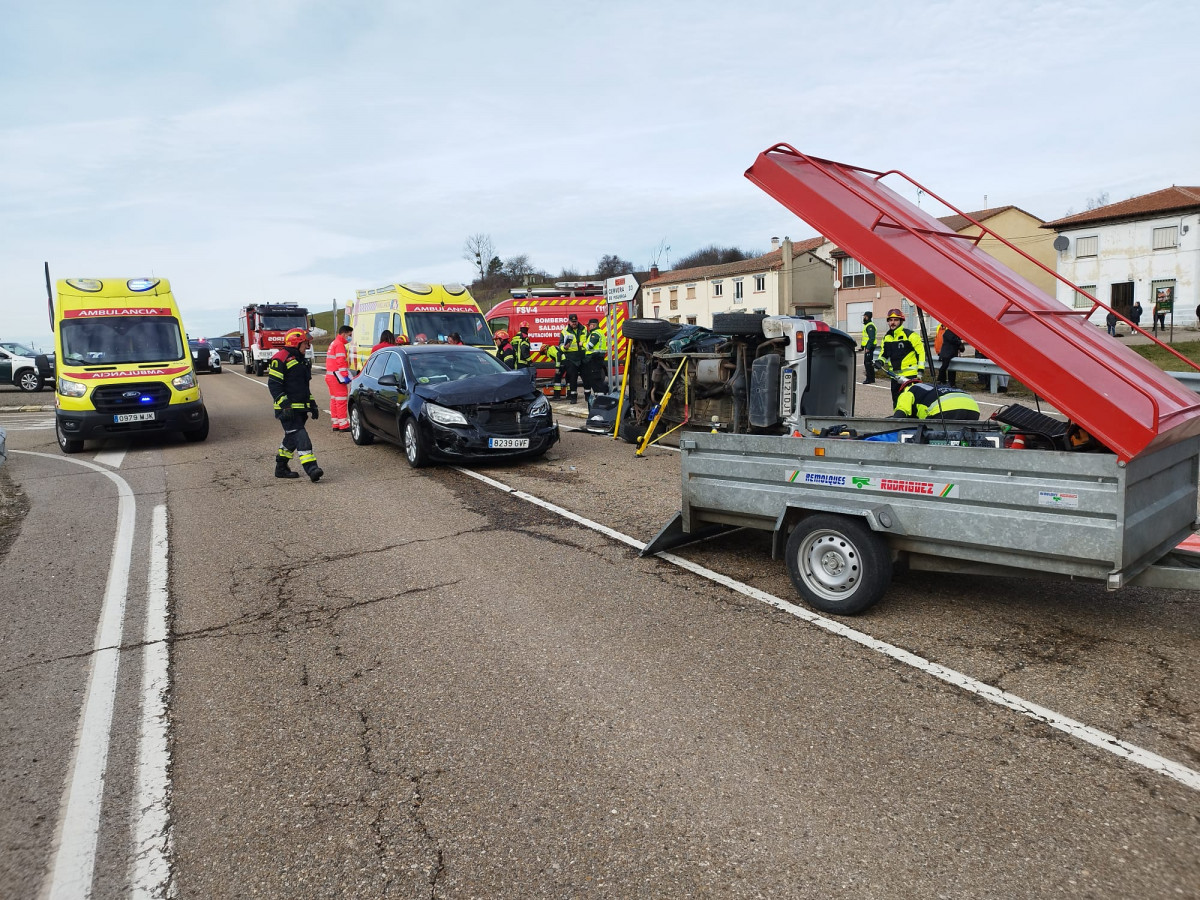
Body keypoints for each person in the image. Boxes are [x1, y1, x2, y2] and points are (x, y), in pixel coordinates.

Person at [268, 328, 323, 482]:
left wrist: (312, 404)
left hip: (300, 409)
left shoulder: (302, 360)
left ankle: (281, 467)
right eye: (306, 343)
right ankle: (312, 468)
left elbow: (304, 387)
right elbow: (274, 385)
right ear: (296, 342)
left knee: (291, 439)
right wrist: (285, 405)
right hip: (287, 410)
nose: (308, 346)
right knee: (301, 436)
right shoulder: (280, 358)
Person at [878, 308, 925, 404]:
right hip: (895, 377)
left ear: (901, 321)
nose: (893, 322)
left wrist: (920, 371)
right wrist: (880, 361)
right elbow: (884, 354)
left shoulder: (910, 335)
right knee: (897, 404)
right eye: (890, 320)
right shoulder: (887, 337)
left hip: (910, 377)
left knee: (911, 405)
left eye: (896, 320)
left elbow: (921, 352)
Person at [892, 376, 980, 421]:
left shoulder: (908, 391)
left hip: (944, 411)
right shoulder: (933, 388)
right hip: (973, 408)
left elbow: (900, 416)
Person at [324, 324, 353, 432]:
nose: (350, 337)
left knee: (334, 400)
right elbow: (340, 362)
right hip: (337, 377)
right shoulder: (340, 345)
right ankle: (343, 425)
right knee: (341, 400)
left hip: (330, 376)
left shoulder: (334, 343)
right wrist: (345, 376)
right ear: (344, 333)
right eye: (350, 335)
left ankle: (336, 423)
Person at [559, 312, 588, 403]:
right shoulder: (564, 331)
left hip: (583, 357)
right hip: (571, 358)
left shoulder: (584, 329)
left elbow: (588, 340)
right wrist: (564, 347)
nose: (574, 323)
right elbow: (559, 344)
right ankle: (573, 397)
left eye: (575, 321)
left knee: (586, 378)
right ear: (569, 322)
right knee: (572, 379)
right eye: (572, 322)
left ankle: (588, 396)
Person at [582, 318, 608, 404]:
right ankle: (598, 397)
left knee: (596, 379)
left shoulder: (595, 334)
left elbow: (589, 346)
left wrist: (582, 344)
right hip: (596, 358)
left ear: (593, 325)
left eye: (589, 325)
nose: (589, 327)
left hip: (595, 358)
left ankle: (601, 398)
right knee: (594, 379)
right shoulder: (599, 332)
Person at [860, 311, 877, 384]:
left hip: (870, 347)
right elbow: (865, 338)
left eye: (864, 316)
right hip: (867, 346)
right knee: (869, 362)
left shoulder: (870, 326)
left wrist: (868, 348)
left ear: (867, 317)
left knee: (867, 363)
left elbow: (871, 338)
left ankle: (869, 379)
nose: (863, 318)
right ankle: (872, 378)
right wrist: (862, 346)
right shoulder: (867, 325)